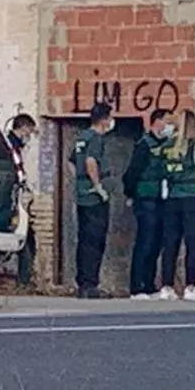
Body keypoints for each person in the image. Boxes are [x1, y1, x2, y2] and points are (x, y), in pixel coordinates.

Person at [158, 109, 195, 301]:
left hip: (172, 198)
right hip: (192, 197)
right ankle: (190, 286)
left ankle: (167, 286)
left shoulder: (166, 147)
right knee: (193, 243)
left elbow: (162, 171)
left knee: (170, 243)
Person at [122, 108, 173, 300]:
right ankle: (137, 286)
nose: (169, 126)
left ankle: (149, 284)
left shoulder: (166, 145)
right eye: (167, 121)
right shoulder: (144, 144)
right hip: (146, 198)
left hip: (162, 199)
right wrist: (130, 194)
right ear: (157, 121)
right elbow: (131, 173)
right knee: (145, 240)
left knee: (157, 242)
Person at [72, 103, 114, 299]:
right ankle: (91, 284)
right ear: (104, 119)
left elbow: (72, 163)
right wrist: (97, 186)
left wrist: (79, 183)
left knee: (84, 240)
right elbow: (91, 162)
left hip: (82, 195)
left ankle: (83, 283)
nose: (111, 121)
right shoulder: (96, 138)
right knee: (95, 241)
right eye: (110, 117)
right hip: (93, 198)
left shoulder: (82, 137)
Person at [7, 114, 38, 284]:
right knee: (26, 238)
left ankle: (24, 278)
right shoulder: (11, 146)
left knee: (27, 238)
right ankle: (24, 280)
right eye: (30, 131)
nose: (30, 135)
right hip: (15, 199)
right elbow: (19, 173)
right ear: (23, 128)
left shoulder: (13, 145)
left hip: (17, 198)